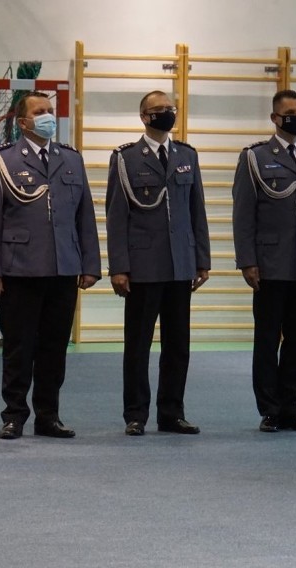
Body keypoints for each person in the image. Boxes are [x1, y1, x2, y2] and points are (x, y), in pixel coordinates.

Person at [0, 91, 100, 440]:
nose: (47, 116)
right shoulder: (2, 160)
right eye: (39, 112)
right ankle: (14, 414)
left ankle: (49, 415)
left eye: (50, 110)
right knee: (19, 348)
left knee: (54, 347)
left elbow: (84, 216)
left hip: (63, 268)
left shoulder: (71, 160)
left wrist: (90, 263)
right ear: (23, 122)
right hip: (19, 270)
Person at [106, 90, 210, 436]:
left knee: (178, 346)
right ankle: (136, 414)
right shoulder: (126, 158)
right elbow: (116, 216)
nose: (167, 114)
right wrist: (119, 267)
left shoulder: (186, 155)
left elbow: (197, 210)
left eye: (171, 109)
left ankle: (172, 412)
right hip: (143, 266)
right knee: (138, 346)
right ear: (144, 117)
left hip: (180, 264)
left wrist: (201, 259)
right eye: (159, 110)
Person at [231, 89, 296, 434]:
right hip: (270, 263)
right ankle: (269, 409)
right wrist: (247, 260)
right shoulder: (255, 157)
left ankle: (291, 406)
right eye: (290, 112)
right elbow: (243, 214)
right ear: (274, 118)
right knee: (267, 339)